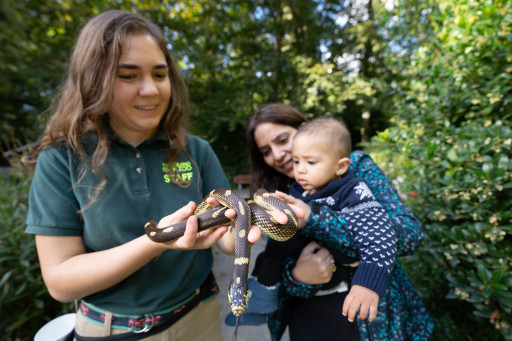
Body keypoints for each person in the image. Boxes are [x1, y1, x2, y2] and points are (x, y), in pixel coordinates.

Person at [24, 10, 271, 340]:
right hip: (113, 331)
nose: (151, 90)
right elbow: (60, 282)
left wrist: (253, 222)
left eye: (160, 74)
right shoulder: (61, 158)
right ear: (94, 79)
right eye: (128, 76)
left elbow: (227, 234)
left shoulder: (196, 150)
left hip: (201, 317)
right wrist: (158, 240)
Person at [241, 103, 434, 340]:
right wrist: (297, 278)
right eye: (266, 151)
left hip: (372, 319)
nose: (278, 155)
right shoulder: (279, 192)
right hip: (310, 322)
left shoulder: (354, 170)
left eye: (282, 140)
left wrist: (314, 219)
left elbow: (409, 233)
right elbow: (280, 269)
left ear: (304, 129)